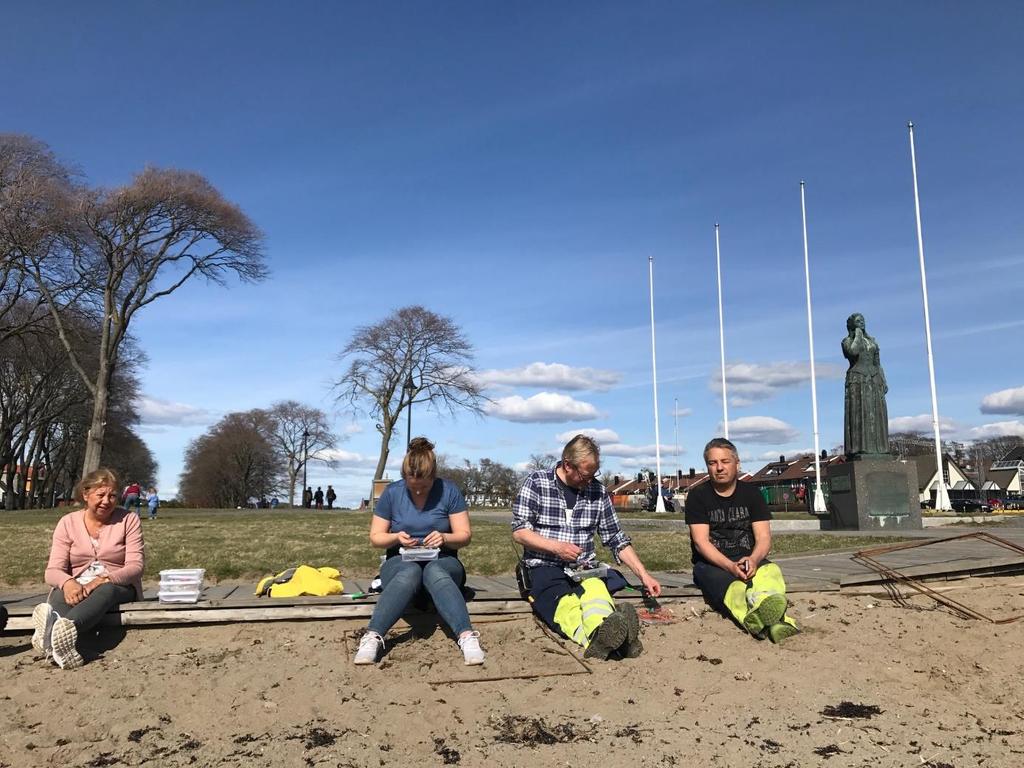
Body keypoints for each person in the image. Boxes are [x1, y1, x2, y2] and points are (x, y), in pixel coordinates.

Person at [512, 435, 662, 659]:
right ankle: (605, 640)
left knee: (596, 592)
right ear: (567, 465)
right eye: (585, 475)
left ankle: (611, 636)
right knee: (563, 604)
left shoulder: (598, 492)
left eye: (594, 475)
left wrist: (644, 576)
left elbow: (616, 538)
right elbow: (520, 532)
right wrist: (557, 547)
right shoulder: (536, 483)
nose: (589, 481)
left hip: (584, 568)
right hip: (544, 565)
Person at [353, 437, 484, 666]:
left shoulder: (450, 491)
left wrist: (444, 537)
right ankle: (373, 636)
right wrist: (396, 537)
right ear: (404, 477)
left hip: (443, 560)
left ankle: (466, 636)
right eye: (412, 486)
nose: (418, 491)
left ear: (434, 477)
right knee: (410, 571)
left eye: (424, 486)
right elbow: (376, 538)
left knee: (434, 570)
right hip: (401, 561)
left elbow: (465, 535)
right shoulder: (392, 493)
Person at [685, 438, 798, 643]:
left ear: (737, 463)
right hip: (712, 564)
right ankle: (757, 622)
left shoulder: (752, 493)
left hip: (748, 558)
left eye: (725, 461)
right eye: (712, 463)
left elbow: (763, 537)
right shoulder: (697, 495)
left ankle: (776, 620)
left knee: (771, 573)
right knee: (734, 589)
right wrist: (729, 566)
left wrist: (754, 559)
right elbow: (701, 543)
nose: (719, 468)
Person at [32, 468, 145, 669]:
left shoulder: (129, 520)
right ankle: (59, 645)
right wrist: (67, 582)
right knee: (59, 593)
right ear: (86, 494)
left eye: (112, 496)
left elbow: (135, 567)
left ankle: (61, 631)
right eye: (100, 495)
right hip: (77, 582)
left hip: (117, 584)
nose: (107, 501)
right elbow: (52, 571)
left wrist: (103, 579)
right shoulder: (68, 522)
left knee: (105, 590)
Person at [842, 312, 889, 457]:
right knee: (860, 413)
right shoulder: (846, 341)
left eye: (862, 320)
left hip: (874, 380)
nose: (861, 323)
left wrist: (883, 379)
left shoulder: (872, 341)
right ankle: (859, 448)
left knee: (877, 414)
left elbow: (878, 363)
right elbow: (853, 352)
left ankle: (880, 448)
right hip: (858, 380)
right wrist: (857, 335)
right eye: (857, 321)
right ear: (851, 325)